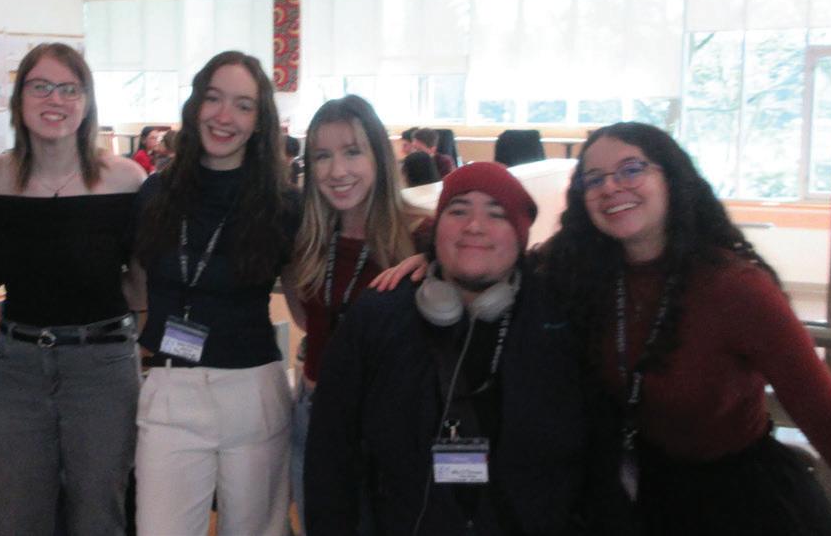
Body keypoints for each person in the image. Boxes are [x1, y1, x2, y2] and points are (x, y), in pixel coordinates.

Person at [539, 122, 831, 535]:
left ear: (671, 178)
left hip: (748, 507)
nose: (611, 187)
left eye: (631, 169)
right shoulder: (581, 275)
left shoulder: (735, 287)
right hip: (650, 500)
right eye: (594, 179)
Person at [306, 162, 590, 536]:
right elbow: (331, 450)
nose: (474, 226)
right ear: (436, 229)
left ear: (521, 237)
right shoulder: (377, 316)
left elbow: (591, 461)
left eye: (496, 214)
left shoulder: (557, 320)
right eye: (458, 211)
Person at [0, 43, 147, 536]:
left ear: (87, 102)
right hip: (18, 364)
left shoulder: (125, 181)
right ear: (19, 98)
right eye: (41, 86)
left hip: (102, 364)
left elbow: (140, 282)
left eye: (70, 89)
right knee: (15, 512)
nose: (56, 99)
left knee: (97, 512)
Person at [132, 50, 301, 535]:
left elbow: (303, 303)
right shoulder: (155, 194)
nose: (225, 116)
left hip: (253, 391)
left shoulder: (283, 204)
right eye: (214, 98)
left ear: (260, 121)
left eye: (243, 105)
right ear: (195, 105)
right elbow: (139, 289)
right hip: (170, 391)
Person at [288, 95, 427, 531]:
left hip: (388, 425)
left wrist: (438, 263)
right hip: (315, 414)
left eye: (352, 152)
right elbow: (305, 318)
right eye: (322, 156)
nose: (337, 171)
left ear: (378, 157)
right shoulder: (309, 237)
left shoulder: (421, 233)